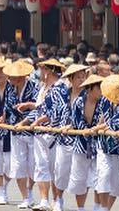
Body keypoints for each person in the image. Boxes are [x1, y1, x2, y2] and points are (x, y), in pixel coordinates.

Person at [24, 59, 65, 210]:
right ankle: (43, 200)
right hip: (40, 132)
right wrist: (29, 115)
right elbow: (40, 108)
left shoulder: (60, 88)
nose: (39, 73)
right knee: (41, 167)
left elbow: (55, 112)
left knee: (56, 168)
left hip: (54, 133)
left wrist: (38, 121)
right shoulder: (42, 88)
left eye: (41, 69)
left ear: (48, 71)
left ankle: (57, 200)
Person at [50, 64, 88, 211]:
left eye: (83, 76)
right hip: (63, 139)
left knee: (80, 176)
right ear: (71, 79)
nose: (81, 79)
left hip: (80, 141)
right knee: (60, 171)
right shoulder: (62, 93)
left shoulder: (87, 95)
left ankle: (81, 207)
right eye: (78, 77)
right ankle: (58, 199)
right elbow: (54, 114)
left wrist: (73, 126)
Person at [64, 76, 104, 211]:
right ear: (90, 88)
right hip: (81, 144)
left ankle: (98, 207)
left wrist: (95, 128)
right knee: (79, 178)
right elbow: (76, 122)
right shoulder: (79, 102)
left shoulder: (104, 102)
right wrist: (85, 130)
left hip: (99, 144)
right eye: (99, 88)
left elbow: (106, 121)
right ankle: (80, 208)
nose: (101, 91)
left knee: (100, 177)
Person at [3, 60, 38, 209]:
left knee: (32, 165)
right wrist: (3, 119)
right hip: (15, 131)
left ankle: (30, 191)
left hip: (31, 131)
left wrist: (24, 122)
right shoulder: (10, 89)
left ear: (21, 77)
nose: (10, 79)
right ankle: (25, 197)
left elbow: (39, 108)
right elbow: (7, 107)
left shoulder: (35, 87)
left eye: (13, 76)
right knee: (18, 166)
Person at [91, 77, 119, 211]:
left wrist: (103, 127)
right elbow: (103, 117)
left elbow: (117, 121)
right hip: (104, 143)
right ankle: (103, 207)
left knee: (117, 183)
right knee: (103, 175)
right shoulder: (105, 100)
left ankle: (107, 208)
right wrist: (97, 127)